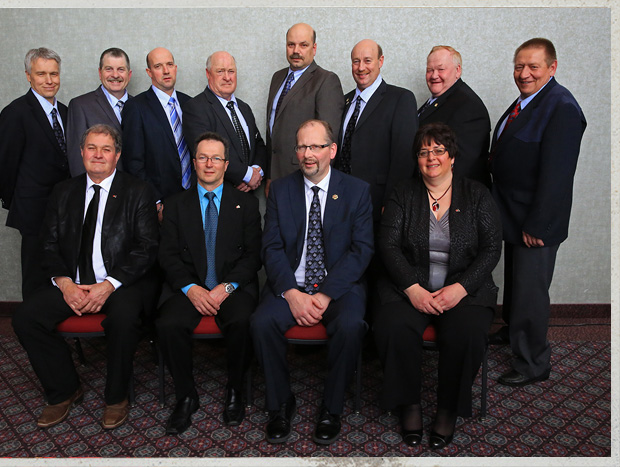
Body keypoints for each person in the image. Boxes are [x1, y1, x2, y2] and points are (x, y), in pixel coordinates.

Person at [11, 124, 159, 430]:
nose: (98, 155)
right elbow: (48, 244)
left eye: (106, 149)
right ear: (81, 153)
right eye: (92, 148)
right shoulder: (63, 191)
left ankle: (116, 397)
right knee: (26, 317)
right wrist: (65, 284)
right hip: (73, 283)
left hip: (119, 284)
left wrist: (108, 285)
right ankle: (64, 390)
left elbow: (147, 248)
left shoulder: (138, 191)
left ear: (117, 155)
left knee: (124, 319)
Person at [374, 122, 502, 449]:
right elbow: (388, 245)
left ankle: (448, 410)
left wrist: (461, 288)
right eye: (423, 152)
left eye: (438, 150)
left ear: (452, 156)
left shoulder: (477, 194)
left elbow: (491, 248)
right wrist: (412, 288)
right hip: (409, 287)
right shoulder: (403, 193)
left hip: (462, 289)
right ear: (416, 159)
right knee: (393, 326)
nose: (431, 157)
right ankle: (409, 405)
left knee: (467, 333)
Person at [251, 120, 373, 445]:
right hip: (291, 284)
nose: (308, 154)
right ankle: (280, 404)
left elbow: (361, 250)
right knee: (261, 323)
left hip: (338, 289)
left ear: (331, 150)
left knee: (350, 326)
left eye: (316, 146)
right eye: (302, 147)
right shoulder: (281, 190)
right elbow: (271, 247)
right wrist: (292, 294)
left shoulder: (357, 191)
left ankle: (331, 408)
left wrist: (326, 294)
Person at [488, 38, 586, 387]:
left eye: (533, 66)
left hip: (535, 220)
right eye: (519, 66)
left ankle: (533, 363)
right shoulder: (527, 102)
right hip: (513, 213)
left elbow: (557, 175)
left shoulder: (562, 107)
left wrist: (538, 223)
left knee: (531, 292)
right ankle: (513, 331)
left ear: (552, 67)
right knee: (517, 283)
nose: (524, 73)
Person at [156, 132, 262, 435]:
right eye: (203, 157)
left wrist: (225, 288)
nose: (209, 164)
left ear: (226, 164)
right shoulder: (175, 205)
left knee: (243, 321)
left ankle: (235, 390)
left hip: (232, 286)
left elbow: (253, 256)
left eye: (216, 158)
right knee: (168, 324)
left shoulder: (246, 204)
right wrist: (192, 289)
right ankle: (186, 396)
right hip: (188, 286)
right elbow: (167, 256)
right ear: (194, 162)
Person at [0, 47, 70, 300]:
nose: (49, 80)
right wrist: (17, 201)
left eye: (54, 74)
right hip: (33, 211)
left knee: (63, 273)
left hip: (65, 210)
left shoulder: (66, 112)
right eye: (41, 74)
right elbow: (1, 165)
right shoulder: (16, 113)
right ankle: (32, 322)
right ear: (28, 76)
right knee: (36, 275)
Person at [334, 38, 418, 227]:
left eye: (367, 60)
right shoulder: (344, 101)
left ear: (380, 61)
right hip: (341, 203)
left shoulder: (400, 99)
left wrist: (392, 202)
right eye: (356, 61)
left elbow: (404, 158)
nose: (361, 67)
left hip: (378, 205)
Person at [266, 23, 344, 182]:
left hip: (303, 176)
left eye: (303, 45)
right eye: (291, 45)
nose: (296, 51)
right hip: (275, 175)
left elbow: (328, 139)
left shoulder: (326, 80)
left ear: (314, 48)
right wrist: (269, 175)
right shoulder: (277, 78)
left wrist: (315, 182)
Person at [121, 47, 192, 221]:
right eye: (158, 66)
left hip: (193, 198)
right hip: (161, 203)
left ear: (175, 68)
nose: (166, 71)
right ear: (149, 72)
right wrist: (155, 202)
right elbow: (134, 163)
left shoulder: (190, 103)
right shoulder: (136, 107)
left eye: (169, 64)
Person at [182, 51, 266, 193]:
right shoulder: (195, 107)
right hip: (217, 196)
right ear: (208, 74)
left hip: (249, 197)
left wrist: (257, 172)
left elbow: (258, 145)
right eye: (220, 71)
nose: (227, 77)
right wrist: (246, 175)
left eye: (231, 71)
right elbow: (206, 153)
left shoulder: (244, 108)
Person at [418, 46, 491, 187]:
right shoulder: (439, 99)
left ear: (458, 71)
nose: (434, 76)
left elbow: (464, 164)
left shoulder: (468, 105)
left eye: (441, 69)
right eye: (430, 70)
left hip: (452, 193)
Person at [66, 48, 132, 176]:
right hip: (98, 184)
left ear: (129, 75)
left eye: (121, 69)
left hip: (135, 185)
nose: (115, 75)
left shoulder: (140, 106)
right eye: (109, 69)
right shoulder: (81, 105)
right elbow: (77, 158)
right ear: (100, 73)